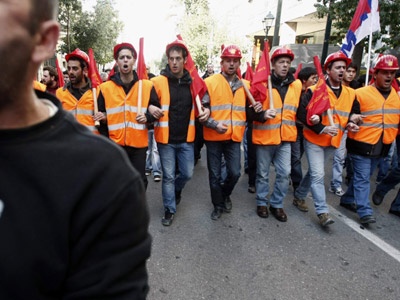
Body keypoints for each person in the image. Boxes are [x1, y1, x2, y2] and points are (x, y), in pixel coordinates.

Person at [0, 1, 151, 299]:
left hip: (124, 146)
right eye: (66, 68)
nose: (69, 72)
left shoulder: (105, 182)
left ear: (43, 40)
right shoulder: (61, 93)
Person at [295, 51, 361, 227]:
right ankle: (322, 211)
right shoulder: (313, 91)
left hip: (334, 141)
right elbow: (301, 113)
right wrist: (321, 127)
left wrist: (352, 122)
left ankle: (299, 195)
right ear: (328, 70)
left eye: (344, 68)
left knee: (314, 173)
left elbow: (353, 113)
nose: (342, 71)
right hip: (314, 140)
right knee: (318, 175)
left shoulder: (350, 93)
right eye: (338, 67)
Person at [150, 39, 209, 226]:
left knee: (187, 174)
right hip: (166, 140)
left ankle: (176, 190)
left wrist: (206, 109)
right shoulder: (158, 82)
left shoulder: (193, 83)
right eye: (171, 58)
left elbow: (204, 102)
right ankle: (169, 209)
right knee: (167, 176)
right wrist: (151, 108)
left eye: (178, 58)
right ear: (168, 60)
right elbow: (147, 104)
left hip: (187, 140)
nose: (174, 62)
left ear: (185, 60)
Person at [202, 45, 260, 220]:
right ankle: (218, 205)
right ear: (222, 63)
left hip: (234, 137)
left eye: (235, 61)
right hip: (214, 136)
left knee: (235, 172)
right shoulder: (209, 82)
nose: (232, 64)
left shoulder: (246, 85)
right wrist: (214, 124)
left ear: (239, 63)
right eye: (228, 60)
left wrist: (258, 108)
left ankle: (225, 194)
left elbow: (249, 111)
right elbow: (201, 110)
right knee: (215, 175)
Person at [341, 54, 400, 225]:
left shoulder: (396, 97)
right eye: (385, 72)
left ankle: (347, 198)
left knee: (363, 177)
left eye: (392, 73)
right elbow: (347, 114)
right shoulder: (359, 94)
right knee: (362, 177)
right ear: (375, 74)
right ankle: (364, 211)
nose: (389, 76)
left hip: (382, 147)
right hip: (360, 144)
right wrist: (352, 119)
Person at [96, 42, 160, 190]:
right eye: (122, 57)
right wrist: (107, 141)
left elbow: (156, 111)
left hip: (138, 145)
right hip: (115, 145)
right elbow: (99, 118)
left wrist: (148, 117)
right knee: (117, 183)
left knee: (139, 182)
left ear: (134, 60)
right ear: (117, 62)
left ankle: (137, 210)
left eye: (128, 57)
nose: (125, 60)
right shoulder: (105, 88)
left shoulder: (147, 86)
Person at [250, 47, 302, 221]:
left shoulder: (296, 85)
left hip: (285, 139)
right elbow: (250, 112)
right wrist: (263, 114)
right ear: (272, 64)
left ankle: (277, 204)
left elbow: (299, 110)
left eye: (288, 62)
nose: (285, 65)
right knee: (263, 174)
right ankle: (262, 203)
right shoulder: (262, 84)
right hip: (265, 139)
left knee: (284, 173)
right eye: (281, 62)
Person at [56, 48, 99, 134]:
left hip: (92, 143)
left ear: (85, 70)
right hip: (69, 144)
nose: (70, 72)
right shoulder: (60, 93)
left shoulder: (97, 92)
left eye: (75, 69)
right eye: (69, 68)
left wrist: (103, 117)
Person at [290, 67, 317, 194]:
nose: (315, 80)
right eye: (313, 78)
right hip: (295, 129)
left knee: (298, 156)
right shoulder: (295, 92)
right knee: (295, 157)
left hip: (305, 130)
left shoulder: (313, 93)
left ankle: (291, 174)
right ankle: (297, 184)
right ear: (304, 80)